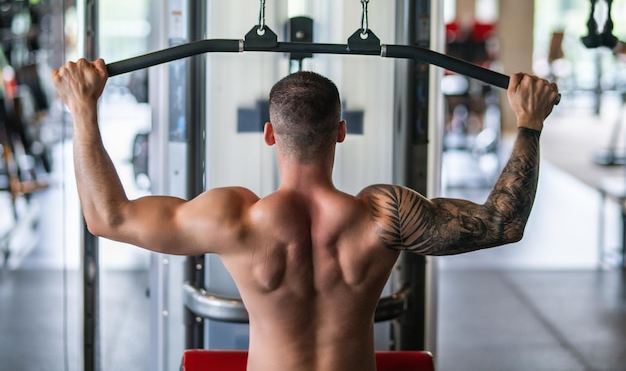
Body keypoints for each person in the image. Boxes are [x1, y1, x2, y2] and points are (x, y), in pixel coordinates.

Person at [51, 59, 560, 371]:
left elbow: (108, 218)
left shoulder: (236, 219)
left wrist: (83, 112)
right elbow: (502, 222)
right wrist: (529, 123)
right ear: (340, 130)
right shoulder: (386, 214)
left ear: (269, 133)